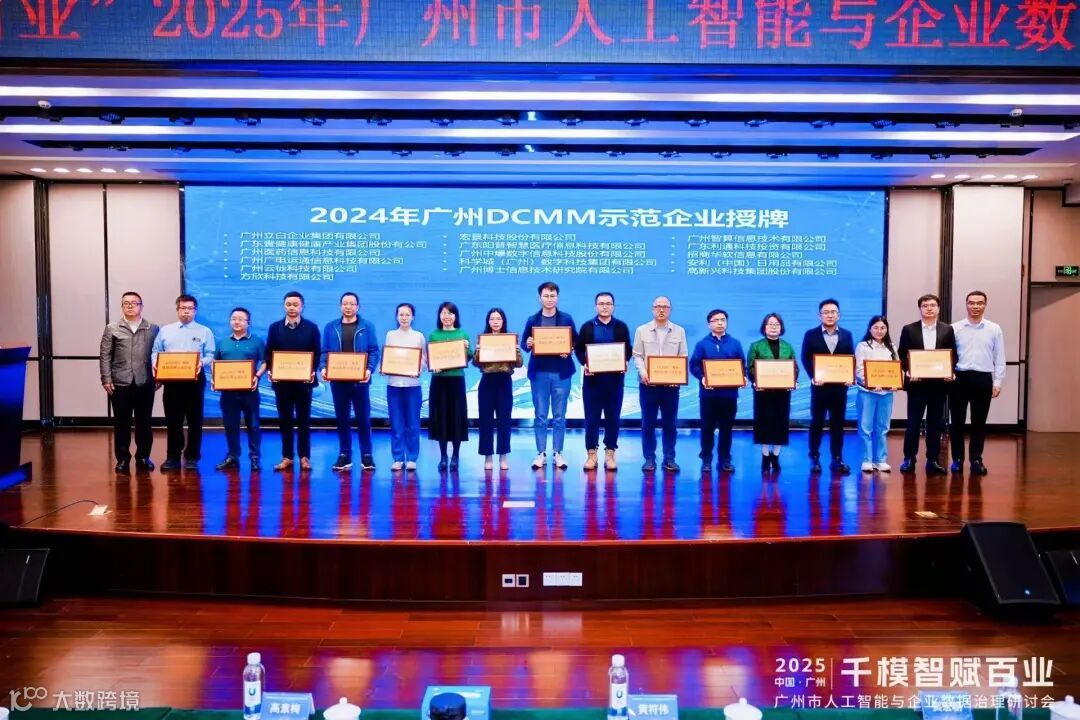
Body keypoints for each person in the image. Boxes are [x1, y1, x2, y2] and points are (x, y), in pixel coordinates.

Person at [151, 294, 216, 471]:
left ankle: (192, 457)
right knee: (173, 420)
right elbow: (156, 352)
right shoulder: (165, 330)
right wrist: (156, 365)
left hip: (195, 380)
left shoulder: (205, 331)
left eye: (190, 308)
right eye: (183, 308)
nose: (186, 311)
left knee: (195, 420)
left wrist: (199, 362)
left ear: (195, 310)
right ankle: (172, 456)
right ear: (177, 309)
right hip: (172, 380)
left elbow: (210, 355)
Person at [99, 291, 159, 473]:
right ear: (122, 306)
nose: (130, 306)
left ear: (142, 306)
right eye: (126, 303)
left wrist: (159, 377)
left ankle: (143, 457)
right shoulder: (112, 328)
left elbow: (159, 354)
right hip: (120, 382)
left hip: (145, 381)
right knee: (121, 423)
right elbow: (105, 355)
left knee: (144, 423)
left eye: (134, 303)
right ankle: (123, 459)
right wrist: (106, 378)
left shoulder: (153, 328)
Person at [897, 293, 956, 475]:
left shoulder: (947, 330)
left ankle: (933, 460)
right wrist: (909, 371)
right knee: (913, 423)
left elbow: (953, 355)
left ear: (938, 308)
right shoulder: (909, 329)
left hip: (939, 385)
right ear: (920, 309)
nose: (929, 308)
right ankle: (909, 459)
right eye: (925, 306)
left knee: (935, 424)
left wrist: (950, 371)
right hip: (917, 385)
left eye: (932, 305)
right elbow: (902, 355)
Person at [521, 281, 577, 470]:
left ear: (557, 298)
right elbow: (524, 343)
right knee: (541, 415)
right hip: (539, 374)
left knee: (560, 415)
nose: (549, 299)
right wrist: (528, 343)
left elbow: (575, 341)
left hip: (562, 373)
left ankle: (558, 452)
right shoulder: (532, 320)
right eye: (546, 296)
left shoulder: (566, 319)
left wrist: (569, 348)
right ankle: (541, 453)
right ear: (540, 298)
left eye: (553, 296)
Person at [321, 291, 380, 472]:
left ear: (358, 306)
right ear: (340, 306)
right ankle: (344, 455)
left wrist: (369, 370)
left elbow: (373, 351)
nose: (348, 307)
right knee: (342, 419)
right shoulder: (331, 327)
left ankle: (367, 455)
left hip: (360, 381)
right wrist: (323, 368)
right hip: (338, 381)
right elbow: (324, 351)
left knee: (363, 419)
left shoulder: (367, 326)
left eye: (352, 304)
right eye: (345, 303)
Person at [949, 290, 1006, 475]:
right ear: (966, 305)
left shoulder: (994, 329)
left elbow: (1000, 357)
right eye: (971, 303)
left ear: (985, 305)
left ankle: (976, 459)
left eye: (979, 303)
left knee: (979, 422)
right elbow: (948, 356)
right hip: (959, 378)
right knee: (957, 422)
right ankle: (957, 459)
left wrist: (998, 382)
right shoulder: (954, 328)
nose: (975, 306)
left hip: (983, 379)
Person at [574, 291, 631, 471]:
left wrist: (625, 361)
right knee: (591, 419)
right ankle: (591, 454)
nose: (605, 307)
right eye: (601, 303)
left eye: (608, 304)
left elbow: (627, 350)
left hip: (614, 382)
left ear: (613, 306)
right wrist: (585, 363)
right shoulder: (587, 327)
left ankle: (610, 453)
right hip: (592, 383)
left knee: (613, 418)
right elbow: (578, 349)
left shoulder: (621, 327)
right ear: (595, 306)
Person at [265, 291, 321, 472]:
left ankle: (304, 457)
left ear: (302, 306)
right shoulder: (274, 328)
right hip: (282, 383)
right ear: (284, 306)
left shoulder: (311, 328)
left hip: (304, 383)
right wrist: (271, 369)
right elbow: (269, 353)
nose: (291, 307)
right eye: (288, 304)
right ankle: (287, 457)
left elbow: (317, 353)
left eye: (295, 304)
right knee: (285, 420)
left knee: (304, 420)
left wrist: (312, 370)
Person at [632, 295, 688, 473]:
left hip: (671, 387)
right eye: (658, 306)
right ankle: (649, 459)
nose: (661, 309)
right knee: (648, 423)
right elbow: (637, 355)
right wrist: (643, 372)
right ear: (652, 309)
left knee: (670, 424)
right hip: (648, 385)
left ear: (670, 310)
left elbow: (683, 356)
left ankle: (669, 459)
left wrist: (677, 376)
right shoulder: (642, 330)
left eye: (665, 306)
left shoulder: (679, 331)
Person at [800, 298, 855, 475]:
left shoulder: (847, 335)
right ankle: (814, 457)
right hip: (820, 388)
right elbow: (805, 357)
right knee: (816, 423)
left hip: (839, 389)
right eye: (826, 312)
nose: (830, 315)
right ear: (819, 315)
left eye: (833, 312)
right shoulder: (811, 334)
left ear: (839, 315)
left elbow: (850, 359)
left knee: (838, 424)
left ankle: (837, 458)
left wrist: (849, 376)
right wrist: (813, 376)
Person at [689, 309, 745, 474]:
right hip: (709, 395)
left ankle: (725, 459)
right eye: (716, 320)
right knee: (707, 428)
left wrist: (743, 377)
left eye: (723, 320)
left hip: (729, 395)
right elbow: (694, 365)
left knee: (727, 429)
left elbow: (741, 364)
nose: (720, 323)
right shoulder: (702, 344)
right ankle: (706, 459)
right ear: (709, 324)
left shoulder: (735, 343)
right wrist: (702, 377)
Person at [213, 307, 266, 471]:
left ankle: (255, 458)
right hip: (228, 393)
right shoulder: (223, 343)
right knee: (230, 426)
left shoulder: (257, 342)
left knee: (254, 425)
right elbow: (215, 363)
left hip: (250, 392)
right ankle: (232, 456)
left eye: (241, 319)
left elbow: (265, 362)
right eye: (234, 319)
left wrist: (257, 376)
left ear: (248, 323)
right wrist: (216, 379)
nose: (237, 322)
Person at [747, 312, 798, 473]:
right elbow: (750, 367)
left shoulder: (788, 346)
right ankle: (765, 456)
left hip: (782, 393)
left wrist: (793, 380)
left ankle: (775, 456)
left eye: (777, 324)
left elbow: (794, 367)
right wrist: (756, 380)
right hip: (763, 392)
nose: (774, 327)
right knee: (764, 423)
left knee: (780, 424)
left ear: (781, 327)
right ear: (764, 327)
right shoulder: (756, 346)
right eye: (770, 324)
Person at [474, 308, 523, 471]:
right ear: (488, 322)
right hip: (487, 382)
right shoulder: (483, 338)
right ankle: (487, 456)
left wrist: (516, 350)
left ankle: (503, 455)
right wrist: (478, 350)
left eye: (498, 319)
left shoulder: (510, 339)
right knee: (485, 420)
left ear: (503, 321)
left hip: (504, 382)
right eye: (492, 319)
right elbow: (475, 363)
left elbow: (519, 363)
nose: (495, 322)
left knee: (504, 420)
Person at [383, 302, 426, 472]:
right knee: (396, 423)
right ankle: (398, 458)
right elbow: (387, 356)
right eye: (401, 314)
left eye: (407, 315)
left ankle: (412, 458)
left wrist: (418, 368)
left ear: (413, 317)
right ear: (396, 316)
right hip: (394, 384)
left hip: (413, 385)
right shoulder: (390, 335)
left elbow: (424, 359)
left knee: (413, 424)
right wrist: (384, 367)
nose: (404, 318)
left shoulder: (418, 336)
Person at [429, 301, 470, 471]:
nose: (447, 316)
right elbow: (431, 358)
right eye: (443, 313)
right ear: (439, 316)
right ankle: (443, 456)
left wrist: (467, 349)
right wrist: (433, 365)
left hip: (456, 381)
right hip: (439, 381)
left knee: (456, 418)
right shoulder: (434, 335)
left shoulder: (462, 334)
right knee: (441, 418)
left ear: (455, 316)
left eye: (450, 313)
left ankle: (455, 456)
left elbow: (470, 356)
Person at [854, 315, 898, 473]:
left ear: (887, 330)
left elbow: (896, 368)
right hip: (867, 392)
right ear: (870, 329)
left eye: (883, 328)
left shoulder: (891, 347)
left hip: (886, 393)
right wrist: (872, 383)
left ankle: (881, 460)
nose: (879, 331)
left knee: (883, 427)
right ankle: (866, 460)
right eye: (876, 328)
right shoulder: (862, 346)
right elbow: (859, 369)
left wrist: (895, 382)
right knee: (865, 427)